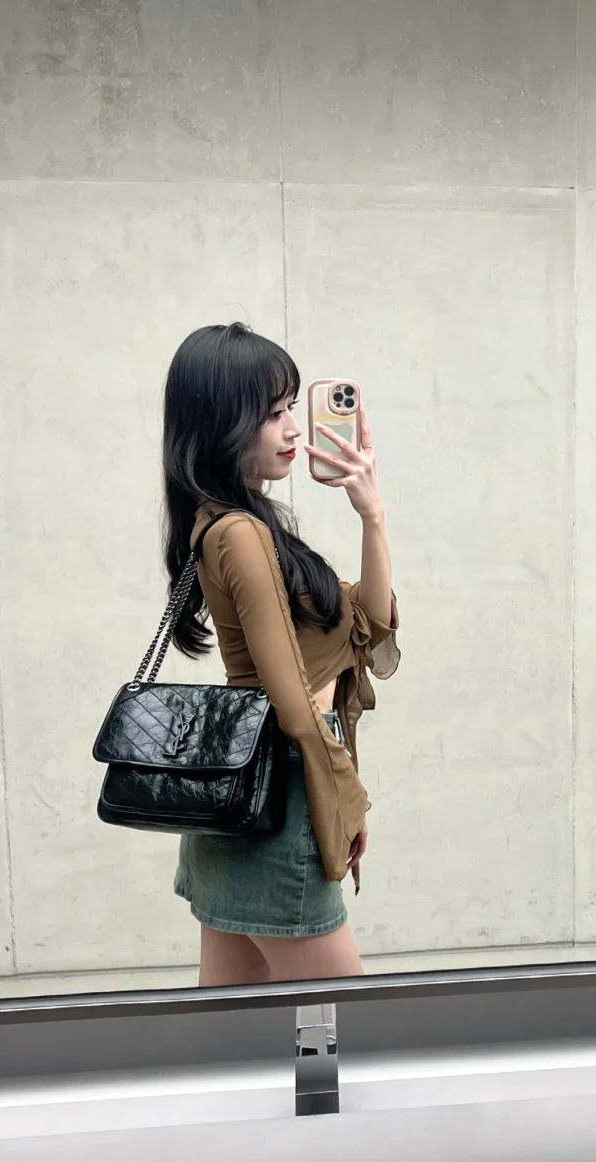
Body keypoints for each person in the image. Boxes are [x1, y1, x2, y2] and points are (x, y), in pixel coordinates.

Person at [164, 322, 399, 985]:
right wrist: (345, 798)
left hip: (245, 794)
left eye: (291, 407)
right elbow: (291, 703)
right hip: (283, 791)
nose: (293, 428)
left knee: (231, 1028)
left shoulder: (245, 524)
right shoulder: (237, 532)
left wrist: (371, 515)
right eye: (272, 414)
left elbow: (370, 622)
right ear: (221, 422)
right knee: (344, 1015)